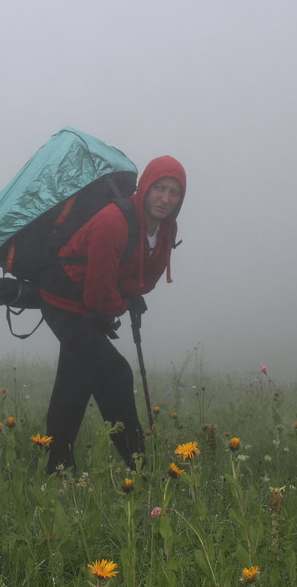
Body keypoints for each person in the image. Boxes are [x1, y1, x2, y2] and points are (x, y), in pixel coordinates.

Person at [38, 156, 186, 473]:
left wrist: (127, 296)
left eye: (174, 192)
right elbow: (98, 294)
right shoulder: (113, 222)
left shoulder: (164, 230)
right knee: (114, 374)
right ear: (145, 187)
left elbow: (144, 280)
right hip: (64, 301)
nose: (166, 198)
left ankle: (56, 466)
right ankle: (141, 470)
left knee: (76, 380)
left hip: (91, 306)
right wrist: (123, 302)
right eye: (159, 188)